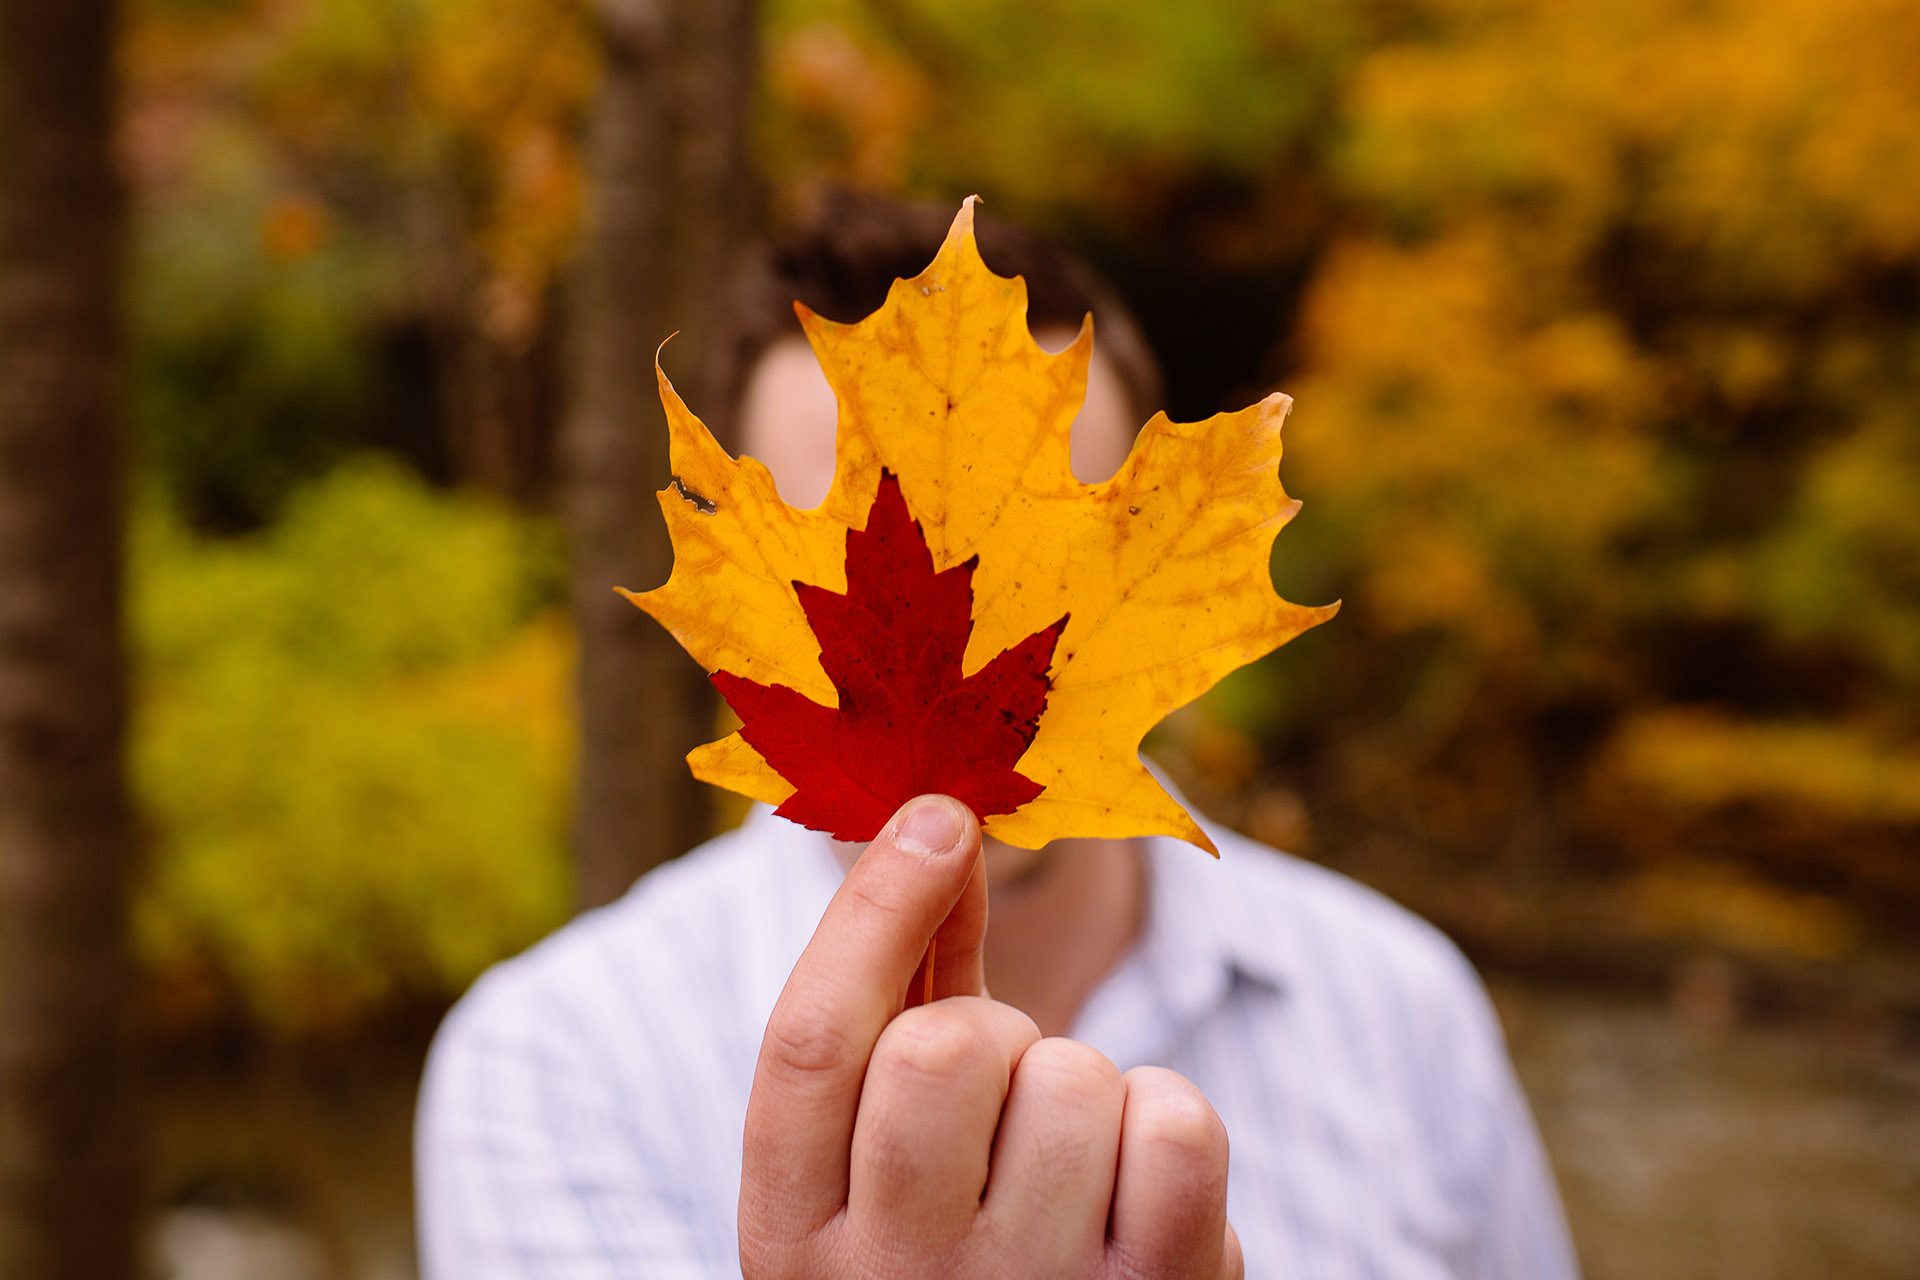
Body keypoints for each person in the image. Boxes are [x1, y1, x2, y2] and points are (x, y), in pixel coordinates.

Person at [415, 194, 1581, 1279]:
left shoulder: (1399, 1006)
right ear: (738, 601)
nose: (986, 614)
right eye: (871, 527)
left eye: (1043, 569)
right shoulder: (558, 1058)